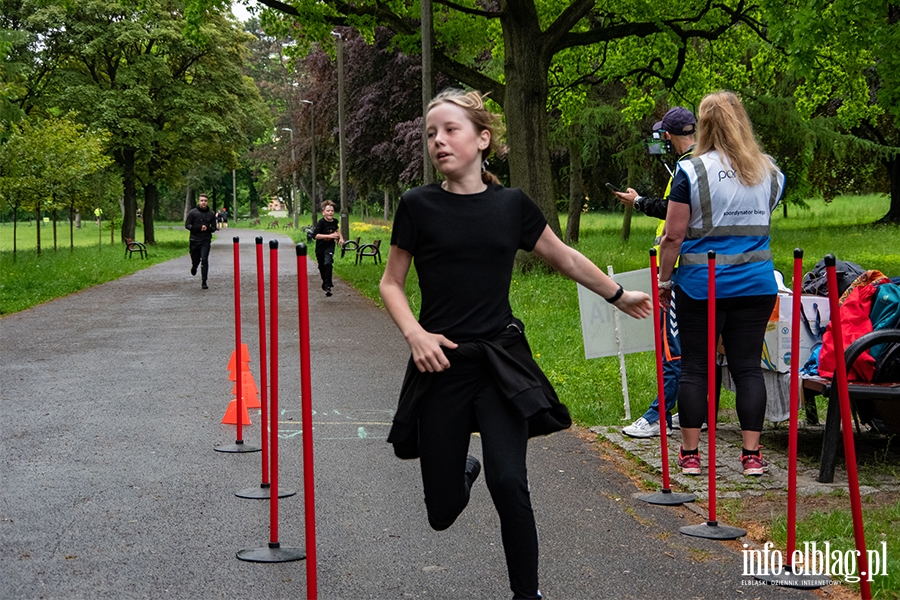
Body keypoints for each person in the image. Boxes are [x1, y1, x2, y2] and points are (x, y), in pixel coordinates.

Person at [379, 89, 652, 600]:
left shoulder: (512, 206)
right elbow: (391, 282)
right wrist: (415, 334)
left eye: (450, 130)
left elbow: (564, 257)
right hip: (443, 364)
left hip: (500, 362)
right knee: (441, 514)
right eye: (431, 133)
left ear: (483, 140)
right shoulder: (418, 206)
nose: (438, 140)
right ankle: (463, 467)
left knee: (510, 484)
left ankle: (527, 595)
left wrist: (618, 295)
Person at [657, 91, 785, 477]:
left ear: (705, 124)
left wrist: (665, 281)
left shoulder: (692, 171)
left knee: (696, 366)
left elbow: (674, 236)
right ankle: (751, 457)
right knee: (747, 367)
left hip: (701, 285)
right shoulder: (770, 170)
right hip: (756, 282)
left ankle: (691, 456)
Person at [614, 107, 697, 438]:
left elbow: (673, 222)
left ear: (668, 136)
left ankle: (656, 416)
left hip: (679, 271)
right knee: (692, 349)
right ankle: (689, 411)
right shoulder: (699, 166)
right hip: (701, 271)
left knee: (671, 347)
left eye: (663, 134)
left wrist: (664, 280)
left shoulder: (688, 169)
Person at [311, 200, 344, 297]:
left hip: (329, 247)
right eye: (328, 211)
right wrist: (330, 236)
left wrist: (341, 238)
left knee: (328, 262)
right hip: (320, 248)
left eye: (332, 211)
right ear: (323, 212)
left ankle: (328, 284)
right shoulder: (321, 223)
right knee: (322, 266)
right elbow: (315, 235)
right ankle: (325, 282)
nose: (330, 213)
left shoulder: (335, 222)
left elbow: (337, 230)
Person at [185, 193, 217, 289]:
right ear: (199, 201)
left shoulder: (211, 214)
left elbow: (214, 227)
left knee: (204, 259)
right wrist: (197, 227)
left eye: (205, 201)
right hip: (194, 239)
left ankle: (204, 281)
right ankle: (194, 266)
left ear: (207, 202)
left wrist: (207, 228)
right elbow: (187, 225)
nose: (203, 202)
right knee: (196, 258)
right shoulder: (193, 213)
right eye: (202, 200)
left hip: (205, 240)